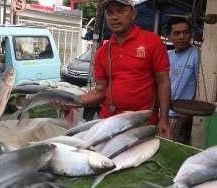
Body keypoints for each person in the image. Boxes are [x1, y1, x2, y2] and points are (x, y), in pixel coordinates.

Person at [79, 0, 171, 137]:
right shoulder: (103, 52)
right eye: (110, 13)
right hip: (109, 122)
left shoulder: (152, 41)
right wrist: (72, 101)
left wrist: (164, 119)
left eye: (121, 11)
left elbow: (163, 82)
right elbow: (100, 91)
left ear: (133, 14)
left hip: (142, 123)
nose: (114, 17)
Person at [168, 17, 200, 144]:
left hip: (182, 115)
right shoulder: (167, 55)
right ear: (169, 36)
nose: (182, 37)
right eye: (177, 33)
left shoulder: (196, 55)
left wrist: (188, 114)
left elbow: (201, 87)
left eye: (186, 33)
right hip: (164, 112)